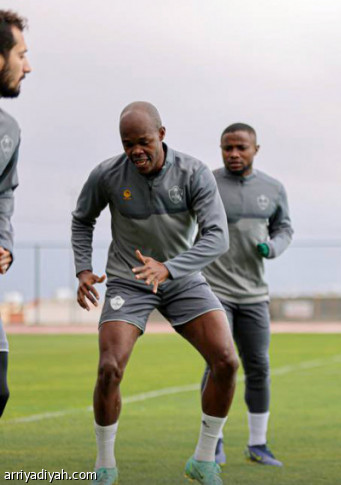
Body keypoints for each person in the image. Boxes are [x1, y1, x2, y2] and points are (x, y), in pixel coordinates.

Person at [72, 102, 236, 485]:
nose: (136, 151)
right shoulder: (107, 175)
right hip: (128, 281)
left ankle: (204, 460)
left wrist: (170, 267)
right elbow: (82, 219)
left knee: (227, 361)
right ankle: (105, 465)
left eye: (143, 141)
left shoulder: (194, 172)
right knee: (109, 367)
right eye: (127, 144)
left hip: (182, 280)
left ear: (162, 134)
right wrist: (83, 269)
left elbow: (217, 237)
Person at [200, 122, 293, 466]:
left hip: (254, 294)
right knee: (218, 363)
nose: (234, 154)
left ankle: (258, 444)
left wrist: (273, 246)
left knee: (258, 366)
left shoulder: (273, 188)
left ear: (256, 149)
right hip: (215, 291)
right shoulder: (207, 183)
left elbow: (285, 228)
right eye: (228, 148)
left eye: (241, 147)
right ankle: (213, 443)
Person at [0, 8, 30, 420]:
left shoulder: (9, 130)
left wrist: (3, 242)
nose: (28, 66)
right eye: (21, 55)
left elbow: (4, 193)